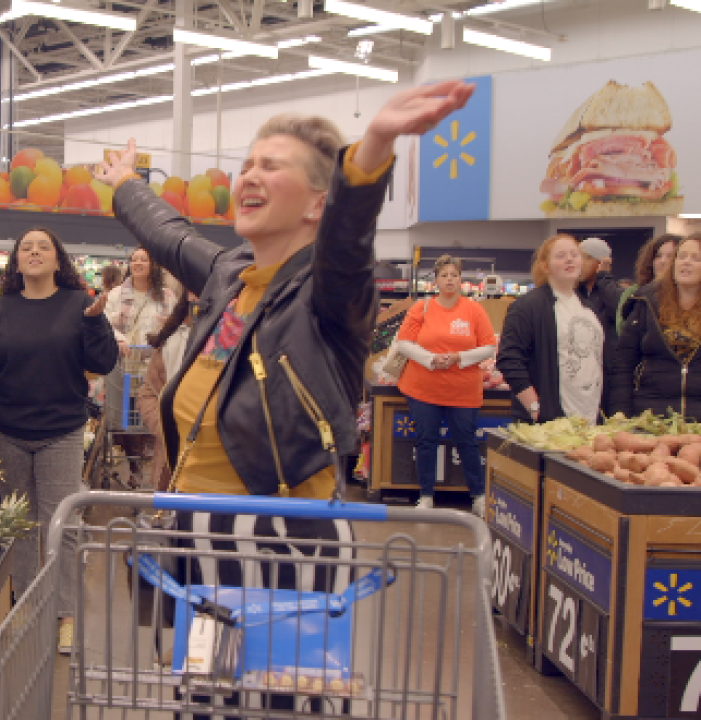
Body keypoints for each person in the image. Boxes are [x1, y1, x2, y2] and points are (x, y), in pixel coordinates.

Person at [94, 84, 472, 711]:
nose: (250, 174)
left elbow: (350, 240)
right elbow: (171, 236)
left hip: (280, 538)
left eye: (273, 165)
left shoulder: (329, 296)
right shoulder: (231, 276)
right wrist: (126, 184)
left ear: (319, 201)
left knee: (281, 707)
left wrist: (372, 148)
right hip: (203, 529)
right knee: (210, 700)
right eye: (248, 163)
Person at [0, 226, 118, 652]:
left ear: (59, 260)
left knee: (64, 523)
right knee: (17, 526)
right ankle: (23, 603)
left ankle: (65, 613)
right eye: (26, 247)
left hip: (61, 428)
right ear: (16, 261)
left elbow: (103, 360)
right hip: (6, 430)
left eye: (44, 247)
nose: (35, 253)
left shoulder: (80, 305)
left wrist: (95, 324)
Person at [393, 255, 497, 514]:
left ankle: (479, 497)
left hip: (463, 390)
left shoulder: (474, 310)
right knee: (426, 440)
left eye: (454, 275)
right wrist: (430, 359)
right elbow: (404, 343)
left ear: (461, 279)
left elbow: (488, 346)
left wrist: (460, 358)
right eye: (444, 275)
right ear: (436, 280)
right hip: (423, 388)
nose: (450, 280)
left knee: (467, 442)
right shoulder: (422, 308)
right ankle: (426, 496)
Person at [497, 234, 614, 424]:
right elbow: (509, 359)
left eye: (574, 254)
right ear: (545, 266)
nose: (569, 259)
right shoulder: (528, 306)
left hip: (590, 417)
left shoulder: (590, 308)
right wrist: (534, 407)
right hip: (550, 422)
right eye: (560, 255)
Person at [609, 234, 701, 419]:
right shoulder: (646, 302)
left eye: (696, 258)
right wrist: (619, 413)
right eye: (681, 256)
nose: (686, 262)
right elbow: (623, 363)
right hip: (651, 416)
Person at [135, 292, 195, 491]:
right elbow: (148, 392)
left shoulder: (229, 338)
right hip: (172, 459)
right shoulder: (172, 340)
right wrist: (164, 427)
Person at [104, 247, 177, 351]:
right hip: (122, 360)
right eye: (134, 260)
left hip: (154, 361)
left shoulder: (167, 297)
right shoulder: (116, 294)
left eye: (144, 260)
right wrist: (119, 340)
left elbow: (177, 328)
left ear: (153, 266)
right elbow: (104, 323)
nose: (138, 263)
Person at [617, 234, 680, 333]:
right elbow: (622, 330)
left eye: (670, 256)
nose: (663, 261)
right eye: (658, 256)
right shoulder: (635, 292)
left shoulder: (687, 293)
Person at [577, 237, 622, 329]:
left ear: (601, 263)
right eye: (577, 257)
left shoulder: (614, 292)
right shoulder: (573, 291)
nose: (580, 263)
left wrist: (604, 277)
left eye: (586, 258)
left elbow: (619, 311)